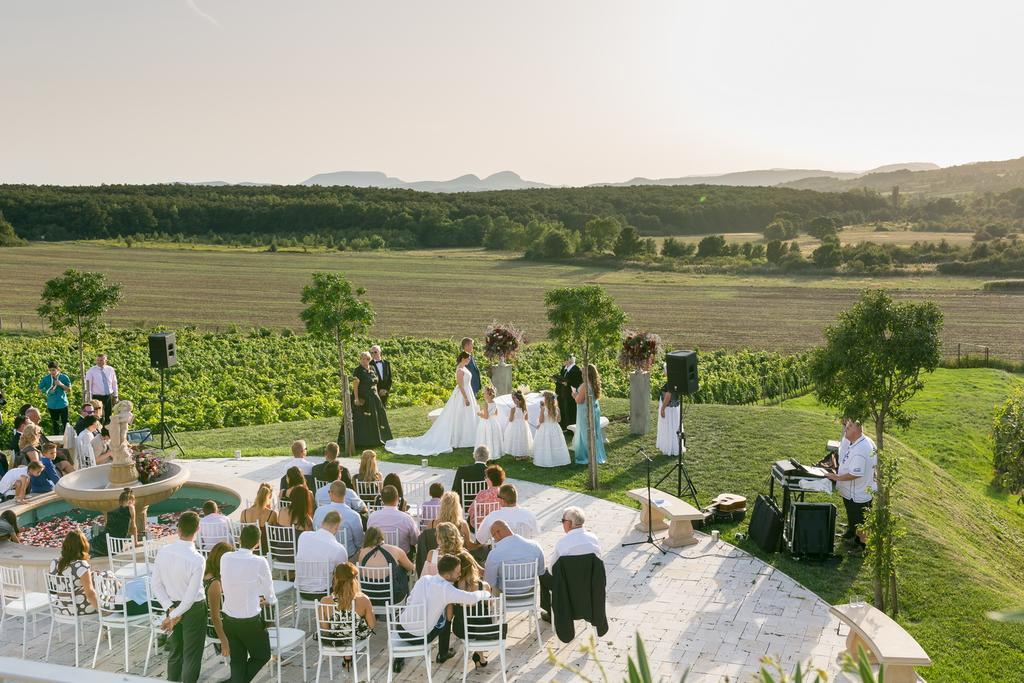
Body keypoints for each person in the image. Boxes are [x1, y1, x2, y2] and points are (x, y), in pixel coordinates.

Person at [393, 554, 490, 673]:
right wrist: (486, 594)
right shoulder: (447, 589)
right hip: (420, 638)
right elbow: (471, 599)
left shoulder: (424, 579)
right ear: (448, 575)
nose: (460, 574)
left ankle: (399, 658)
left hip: (401, 629)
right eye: (458, 572)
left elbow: (409, 600)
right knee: (445, 619)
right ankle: (443, 653)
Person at [384, 352, 477, 456]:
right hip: (462, 395)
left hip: (468, 392)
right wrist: (465, 398)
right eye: (468, 359)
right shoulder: (460, 370)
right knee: (459, 416)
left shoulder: (464, 368)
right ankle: (458, 439)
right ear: (463, 358)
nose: (469, 360)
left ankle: (466, 437)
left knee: (465, 416)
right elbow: (460, 385)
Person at [151, 511, 207, 683]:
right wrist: (174, 613)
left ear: (178, 528)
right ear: (198, 529)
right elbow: (189, 599)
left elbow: (156, 585)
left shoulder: (163, 551)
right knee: (191, 655)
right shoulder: (198, 559)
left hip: (173, 606)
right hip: (194, 609)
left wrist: (171, 610)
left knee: (176, 651)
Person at [220, 524, 276, 683]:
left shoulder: (225, 557)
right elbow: (269, 592)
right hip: (249, 621)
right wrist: (269, 600)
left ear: (239, 539)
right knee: (263, 655)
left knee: (237, 661)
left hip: (229, 619)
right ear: (257, 543)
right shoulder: (259, 561)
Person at [825, 419, 876, 553]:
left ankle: (862, 547)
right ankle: (853, 535)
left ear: (858, 430)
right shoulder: (860, 441)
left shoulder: (861, 449)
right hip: (855, 491)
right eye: (846, 426)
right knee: (854, 518)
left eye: (849, 427)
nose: (845, 428)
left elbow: (855, 473)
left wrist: (837, 477)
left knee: (861, 521)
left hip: (858, 493)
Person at [317, 563, 376, 667]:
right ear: (355, 580)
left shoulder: (325, 601)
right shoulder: (363, 600)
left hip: (336, 638)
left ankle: (347, 655)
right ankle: (349, 653)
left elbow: (325, 628)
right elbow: (372, 625)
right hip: (356, 638)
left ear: (335, 579)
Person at [295, 511, 349, 600]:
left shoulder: (303, 536)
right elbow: (343, 576)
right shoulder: (339, 549)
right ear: (336, 528)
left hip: (302, 591)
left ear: (322, 523)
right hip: (324, 594)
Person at [356, 526, 414, 606]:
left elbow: (361, 574)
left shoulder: (362, 552)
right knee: (401, 570)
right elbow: (411, 567)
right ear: (382, 537)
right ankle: (406, 605)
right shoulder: (395, 550)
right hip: (391, 598)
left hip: (368, 597)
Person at [484, 520, 546, 595]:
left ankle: (493, 605)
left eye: (493, 536)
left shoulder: (494, 554)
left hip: (505, 594)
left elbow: (489, 582)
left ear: (497, 534)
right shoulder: (535, 546)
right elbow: (541, 571)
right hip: (529, 591)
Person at [48, 530, 99, 616]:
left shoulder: (55, 562)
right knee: (106, 577)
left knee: (97, 576)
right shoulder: (81, 565)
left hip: (62, 607)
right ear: (83, 546)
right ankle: (119, 605)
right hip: (79, 608)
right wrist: (102, 611)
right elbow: (90, 593)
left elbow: (55, 586)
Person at [350, 351, 394, 447]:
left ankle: (381, 438)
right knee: (365, 419)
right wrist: (356, 399)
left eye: (365, 358)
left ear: (369, 360)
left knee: (379, 415)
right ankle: (365, 442)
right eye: (361, 358)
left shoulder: (373, 368)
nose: (363, 360)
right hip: (364, 398)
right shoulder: (358, 370)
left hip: (374, 397)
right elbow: (355, 386)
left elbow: (375, 382)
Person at [313, 480, 365, 556]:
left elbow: (315, 529)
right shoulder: (354, 515)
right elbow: (359, 542)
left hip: (323, 554)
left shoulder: (319, 511)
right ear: (345, 494)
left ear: (330, 493)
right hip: (348, 556)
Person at [475, 484, 540, 543]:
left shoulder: (492, 516)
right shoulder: (529, 515)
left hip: (502, 554)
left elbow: (480, 539)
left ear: (502, 500)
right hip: (526, 553)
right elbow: (535, 534)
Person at [367, 484, 419, 555]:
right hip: (402, 558)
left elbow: (369, 537)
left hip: (379, 555)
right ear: (397, 498)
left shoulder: (372, 516)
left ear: (381, 499)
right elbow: (415, 540)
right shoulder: (406, 518)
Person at [572, 364, 607, 466]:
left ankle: (587, 455)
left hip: (585, 412)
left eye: (583, 372)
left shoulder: (585, 385)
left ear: (587, 373)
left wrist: (574, 395)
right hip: (594, 410)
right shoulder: (594, 383)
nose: (581, 373)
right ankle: (595, 453)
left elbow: (579, 400)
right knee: (594, 432)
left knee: (585, 432)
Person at [203, 542, 232, 660]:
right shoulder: (215, 583)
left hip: (213, 624)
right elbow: (215, 616)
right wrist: (224, 641)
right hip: (216, 628)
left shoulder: (205, 574)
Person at [90, 488, 138, 557]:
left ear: (121, 502)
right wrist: (135, 543)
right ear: (132, 501)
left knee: (86, 545)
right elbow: (134, 527)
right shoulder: (131, 508)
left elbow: (108, 529)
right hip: (115, 547)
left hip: (104, 541)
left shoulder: (112, 512)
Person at [533, 391, 571, 467]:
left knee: (546, 444)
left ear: (546, 399)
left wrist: (541, 409)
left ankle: (546, 460)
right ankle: (557, 460)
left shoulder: (543, 409)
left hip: (545, 428)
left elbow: (541, 420)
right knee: (556, 444)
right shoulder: (557, 409)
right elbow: (559, 420)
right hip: (555, 427)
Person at [277, 485, 315, 560]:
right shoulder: (305, 519)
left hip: (280, 553)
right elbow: (310, 540)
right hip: (296, 556)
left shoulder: (281, 511)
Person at [239, 482, 278, 551]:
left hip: (248, 548)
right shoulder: (272, 514)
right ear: (269, 497)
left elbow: (241, 532)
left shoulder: (244, 513)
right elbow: (277, 532)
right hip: (266, 549)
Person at [38, 361, 71, 435]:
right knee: (55, 424)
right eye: (50, 370)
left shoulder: (64, 377)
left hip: (62, 403)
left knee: (65, 422)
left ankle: (67, 439)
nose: (52, 372)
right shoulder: (46, 378)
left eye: (53, 370)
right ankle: (57, 440)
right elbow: (39, 389)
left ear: (58, 369)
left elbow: (69, 390)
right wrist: (48, 391)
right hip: (52, 405)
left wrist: (61, 384)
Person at [84, 354, 118, 425]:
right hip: (97, 397)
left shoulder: (110, 369)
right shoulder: (91, 371)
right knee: (99, 416)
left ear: (106, 361)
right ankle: (99, 432)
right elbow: (88, 386)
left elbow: (114, 383)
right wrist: (89, 399)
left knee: (109, 415)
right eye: (98, 360)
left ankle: (107, 433)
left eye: (101, 360)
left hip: (109, 396)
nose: (99, 362)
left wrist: (115, 395)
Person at [452, 445, 489, 511]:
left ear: (474, 456)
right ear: (488, 458)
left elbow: (454, 490)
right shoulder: (491, 471)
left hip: (465, 506)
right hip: (484, 507)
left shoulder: (462, 470)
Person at [474, 386, 504, 462]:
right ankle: (494, 453)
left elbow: (486, 416)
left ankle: (485, 455)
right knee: (492, 437)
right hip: (493, 422)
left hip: (486, 423)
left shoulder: (485, 404)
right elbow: (496, 413)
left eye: (484, 393)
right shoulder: (495, 402)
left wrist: (479, 413)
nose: (483, 394)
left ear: (488, 394)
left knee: (485, 437)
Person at [502, 389, 533, 460]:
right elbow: (526, 418)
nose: (513, 400)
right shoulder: (524, 408)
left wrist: (510, 415)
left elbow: (511, 419)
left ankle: (518, 454)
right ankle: (522, 454)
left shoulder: (513, 409)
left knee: (516, 438)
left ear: (517, 400)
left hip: (515, 426)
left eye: (514, 398)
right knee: (522, 439)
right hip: (523, 425)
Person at [555, 355, 584, 430]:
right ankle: (564, 427)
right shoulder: (564, 369)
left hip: (570, 394)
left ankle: (571, 429)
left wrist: (568, 384)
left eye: (565, 359)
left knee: (570, 411)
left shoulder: (576, 370)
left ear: (570, 360)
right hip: (562, 393)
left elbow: (578, 383)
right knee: (563, 410)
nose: (563, 361)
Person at [656, 381, 681, 457]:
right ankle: (673, 447)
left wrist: (663, 408)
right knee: (674, 427)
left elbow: (668, 394)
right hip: (674, 408)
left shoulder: (670, 382)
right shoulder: (677, 379)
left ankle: (670, 448)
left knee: (669, 428)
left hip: (669, 409)